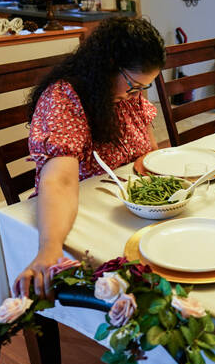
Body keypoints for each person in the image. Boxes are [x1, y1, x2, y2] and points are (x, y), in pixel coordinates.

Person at [13, 17, 166, 299]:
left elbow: (149, 149)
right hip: (78, 207)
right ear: (108, 64)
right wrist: (48, 248)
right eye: (134, 86)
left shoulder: (126, 94)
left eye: (144, 88)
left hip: (126, 202)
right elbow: (59, 180)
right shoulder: (65, 97)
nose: (137, 95)